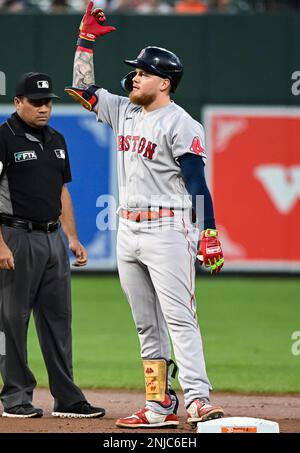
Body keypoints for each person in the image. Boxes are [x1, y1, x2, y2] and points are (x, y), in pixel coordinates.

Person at [66, 1, 225, 428]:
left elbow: (196, 181)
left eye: (143, 70)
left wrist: (208, 230)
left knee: (180, 318)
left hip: (169, 229)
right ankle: (159, 406)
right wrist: (85, 42)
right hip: (127, 230)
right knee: (145, 326)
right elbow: (83, 90)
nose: (135, 75)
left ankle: (197, 399)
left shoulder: (181, 123)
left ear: (165, 82)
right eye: (134, 70)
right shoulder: (123, 110)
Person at [0, 72, 105, 419]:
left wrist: (72, 237)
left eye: (47, 102)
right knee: (11, 322)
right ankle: (15, 397)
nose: (44, 108)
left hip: (52, 239)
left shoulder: (57, 139)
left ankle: (68, 398)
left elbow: (62, 192)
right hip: (15, 237)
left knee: (59, 320)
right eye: (36, 102)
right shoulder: (3, 137)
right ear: (18, 103)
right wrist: (0, 245)